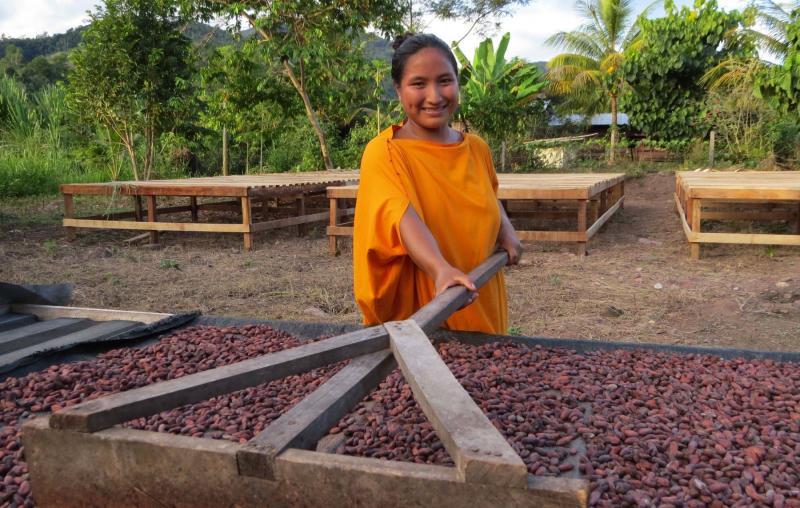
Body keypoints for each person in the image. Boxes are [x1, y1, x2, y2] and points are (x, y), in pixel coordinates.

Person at [352, 33, 522, 334]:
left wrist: (505, 229)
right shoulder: (386, 152)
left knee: (487, 376)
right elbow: (402, 218)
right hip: (424, 316)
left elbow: (489, 196)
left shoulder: (477, 149)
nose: (434, 96)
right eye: (418, 84)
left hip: (481, 304)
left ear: (457, 83)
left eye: (445, 80)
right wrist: (440, 269)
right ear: (398, 90)